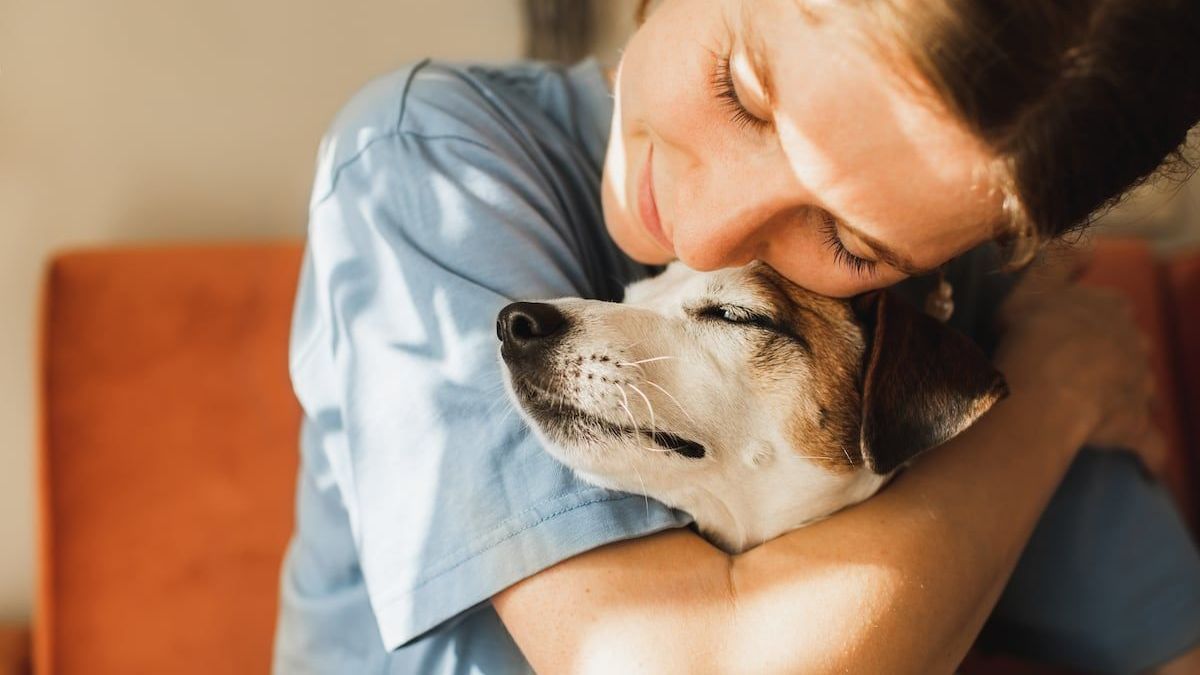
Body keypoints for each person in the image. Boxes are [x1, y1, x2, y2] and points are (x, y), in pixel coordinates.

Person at [272, 0, 1200, 672]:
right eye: (744, 92)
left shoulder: (948, 305)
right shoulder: (429, 162)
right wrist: (1046, 405)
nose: (705, 235)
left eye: (850, 242)